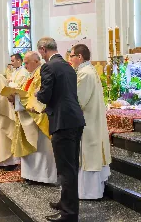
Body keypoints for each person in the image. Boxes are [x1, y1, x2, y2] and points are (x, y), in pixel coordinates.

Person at [35, 37, 85, 222]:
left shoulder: (48, 66)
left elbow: (46, 95)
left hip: (62, 122)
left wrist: (37, 94)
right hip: (75, 119)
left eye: (40, 52)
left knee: (66, 170)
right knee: (71, 167)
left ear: (42, 49)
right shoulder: (68, 66)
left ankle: (69, 215)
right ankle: (66, 204)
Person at [69, 44, 112, 199]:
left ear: (79, 57)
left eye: (71, 56)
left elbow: (78, 100)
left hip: (87, 121)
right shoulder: (88, 70)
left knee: (88, 155)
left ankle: (89, 192)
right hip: (90, 119)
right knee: (89, 154)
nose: (70, 59)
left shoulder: (85, 74)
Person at [9, 51, 57, 185]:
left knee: (41, 148)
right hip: (27, 116)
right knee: (31, 149)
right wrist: (14, 98)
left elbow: (39, 96)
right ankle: (31, 175)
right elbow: (25, 94)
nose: (24, 65)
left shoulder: (42, 74)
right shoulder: (29, 76)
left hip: (38, 118)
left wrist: (17, 99)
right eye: (24, 63)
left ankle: (43, 177)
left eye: (27, 62)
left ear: (36, 61)